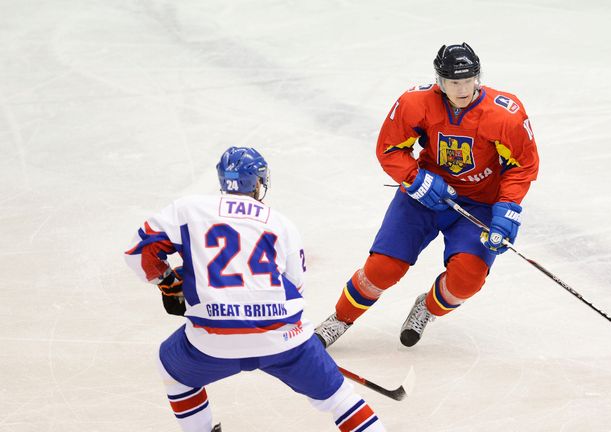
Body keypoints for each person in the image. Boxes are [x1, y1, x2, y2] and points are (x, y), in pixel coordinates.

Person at [125, 147, 386, 432]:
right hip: (284, 339)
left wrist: (168, 282)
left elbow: (140, 253)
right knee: (340, 400)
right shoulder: (281, 223)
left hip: (212, 340)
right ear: (258, 183)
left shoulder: (188, 210)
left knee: (172, 369)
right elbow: (296, 287)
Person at [315, 43, 539, 348]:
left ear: (478, 77)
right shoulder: (415, 102)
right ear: (439, 81)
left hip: (478, 204)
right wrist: (415, 178)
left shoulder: (505, 114)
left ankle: (427, 308)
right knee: (382, 268)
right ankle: (340, 318)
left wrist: (507, 208)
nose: (461, 89)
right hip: (423, 196)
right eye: (453, 82)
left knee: (467, 280)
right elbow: (390, 148)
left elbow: (522, 165)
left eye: (467, 80)